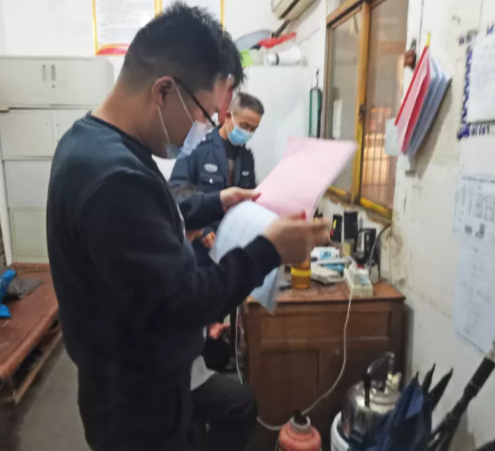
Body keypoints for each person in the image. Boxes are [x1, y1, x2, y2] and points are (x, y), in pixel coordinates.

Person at [46, 4, 330, 451]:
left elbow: (151, 219)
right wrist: (269, 250)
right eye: (205, 114)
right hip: (137, 408)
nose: (205, 129)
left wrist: (216, 201)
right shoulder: (114, 178)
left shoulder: (94, 144)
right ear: (164, 91)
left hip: (133, 382)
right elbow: (182, 303)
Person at [172, 184, 257, 451]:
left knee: (219, 353)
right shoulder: (176, 257)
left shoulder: (175, 246)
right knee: (242, 403)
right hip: (170, 373)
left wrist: (207, 325)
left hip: (181, 353)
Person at [170, 93, 264, 266]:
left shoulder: (246, 158)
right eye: (244, 126)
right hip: (198, 248)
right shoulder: (197, 147)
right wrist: (202, 229)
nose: (248, 133)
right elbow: (176, 193)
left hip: (232, 247)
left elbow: (249, 202)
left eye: (253, 129)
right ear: (228, 116)